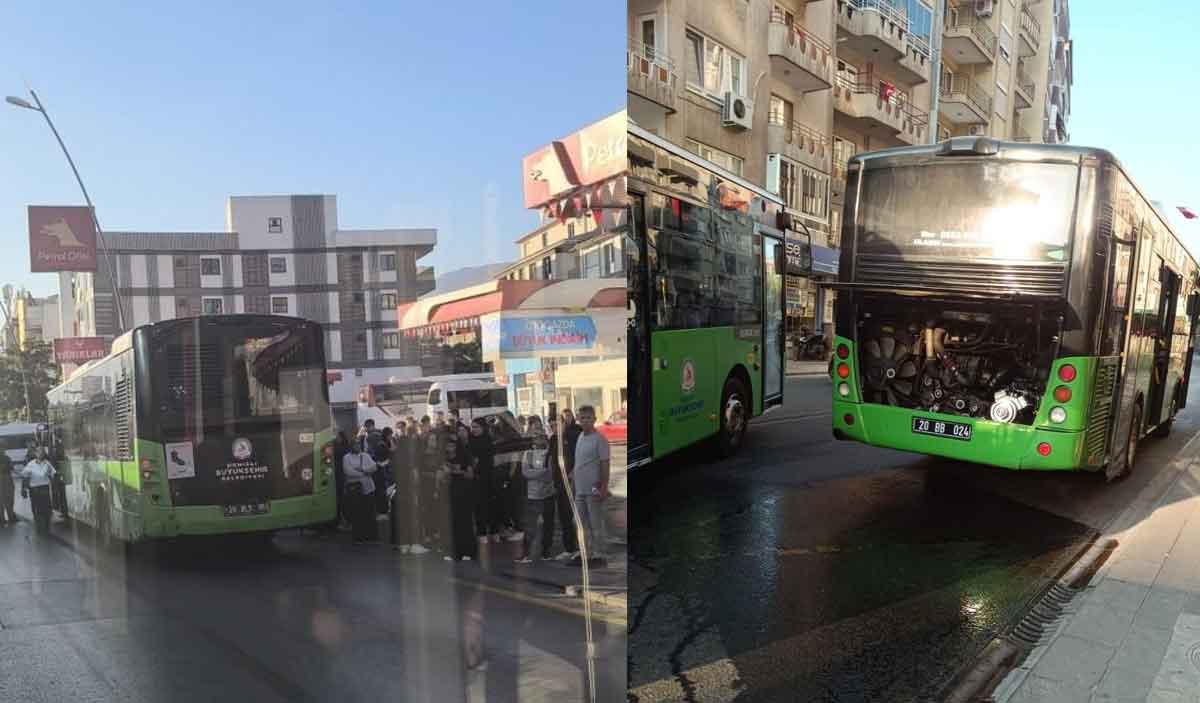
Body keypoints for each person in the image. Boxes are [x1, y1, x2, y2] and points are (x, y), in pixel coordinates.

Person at [570, 406, 610, 567]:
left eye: (588, 418)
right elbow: (578, 462)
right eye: (582, 418)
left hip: (593, 488)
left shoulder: (600, 439)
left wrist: (603, 487)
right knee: (578, 522)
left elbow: (605, 464)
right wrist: (572, 480)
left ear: (594, 419)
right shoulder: (580, 436)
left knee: (595, 523)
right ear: (578, 419)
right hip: (580, 488)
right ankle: (585, 551)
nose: (585, 421)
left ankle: (599, 554)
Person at [516, 416, 556, 563]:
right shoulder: (528, 454)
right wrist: (541, 472)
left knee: (548, 525)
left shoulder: (549, 454)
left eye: (541, 437)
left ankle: (546, 551)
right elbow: (526, 472)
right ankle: (526, 553)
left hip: (548, 494)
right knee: (530, 526)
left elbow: (550, 474)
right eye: (536, 437)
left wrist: (537, 473)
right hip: (532, 495)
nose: (539, 440)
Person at [546, 415, 578, 560]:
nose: (554, 428)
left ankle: (580, 547)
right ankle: (569, 548)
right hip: (558, 483)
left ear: (564, 424)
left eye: (557, 425)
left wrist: (572, 475)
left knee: (575, 516)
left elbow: (578, 458)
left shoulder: (572, 437)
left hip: (571, 482)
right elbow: (550, 460)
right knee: (564, 516)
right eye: (551, 426)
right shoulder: (553, 439)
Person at [440, 436, 476, 562]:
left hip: (463, 492)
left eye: (452, 445)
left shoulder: (464, 457)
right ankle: (454, 551)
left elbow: (470, 475)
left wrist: (459, 471)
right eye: (448, 445)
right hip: (450, 492)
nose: (450, 448)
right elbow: (443, 478)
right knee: (452, 521)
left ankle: (468, 551)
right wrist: (445, 473)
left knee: (465, 521)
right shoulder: (444, 459)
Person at [342, 439, 379, 545]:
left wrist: (361, 469)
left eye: (358, 445)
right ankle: (358, 537)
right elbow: (348, 471)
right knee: (357, 514)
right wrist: (364, 472)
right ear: (351, 446)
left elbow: (374, 467)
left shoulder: (366, 455)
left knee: (370, 513)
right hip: (355, 490)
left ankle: (371, 537)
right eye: (355, 445)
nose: (357, 447)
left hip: (369, 489)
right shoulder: (346, 457)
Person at [467, 418, 496, 545]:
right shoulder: (470, 441)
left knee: (490, 506)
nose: (473, 430)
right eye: (472, 427)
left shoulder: (488, 440)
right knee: (478, 507)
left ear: (483, 428)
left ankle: (494, 531)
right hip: (475, 479)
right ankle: (482, 532)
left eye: (476, 427)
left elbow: (489, 459)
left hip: (488, 477)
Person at [19, 447, 57, 534]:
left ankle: (47, 526)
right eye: (39, 452)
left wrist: (52, 481)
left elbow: (53, 475)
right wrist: (23, 489)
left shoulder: (47, 464)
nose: (41, 454)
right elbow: (24, 476)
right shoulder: (31, 464)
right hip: (35, 489)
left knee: (47, 508)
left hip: (45, 488)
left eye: (42, 452)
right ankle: (39, 526)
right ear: (35, 454)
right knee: (37, 508)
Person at [333, 431, 351, 529]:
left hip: (341, 475)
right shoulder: (345, 448)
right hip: (341, 475)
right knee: (341, 499)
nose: (336, 438)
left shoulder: (340, 448)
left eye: (338, 437)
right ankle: (343, 520)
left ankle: (343, 520)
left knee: (341, 499)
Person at [0, 449, 15, 525]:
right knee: (9, 498)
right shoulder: (7, 458)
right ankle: (11, 517)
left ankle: (1, 519)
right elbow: (12, 468)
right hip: (7, 478)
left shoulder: (7, 458)